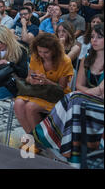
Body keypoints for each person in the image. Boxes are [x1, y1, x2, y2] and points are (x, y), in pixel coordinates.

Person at [32, 24, 104, 167]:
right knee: (75, 100)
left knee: (74, 98)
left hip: (100, 106)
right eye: (93, 37)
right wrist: (86, 92)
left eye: (99, 37)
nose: (94, 40)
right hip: (83, 101)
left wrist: (84, 92)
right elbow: (79, 85)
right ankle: (67, 152)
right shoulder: (86, 59)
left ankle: (46, 140)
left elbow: (101, 90)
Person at [14, 33, 74, 134]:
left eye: (46, 52)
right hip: (38, 92)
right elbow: (28, 78)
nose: (42, 55)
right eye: (40, 51)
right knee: (18, 104)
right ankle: (32, 137)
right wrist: (31, 80)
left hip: (56, 96)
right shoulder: (36, 57)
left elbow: (62, 88)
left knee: (30, 107)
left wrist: (47, 81)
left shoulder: (65, 61)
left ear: (54, 50)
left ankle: (41, 140)